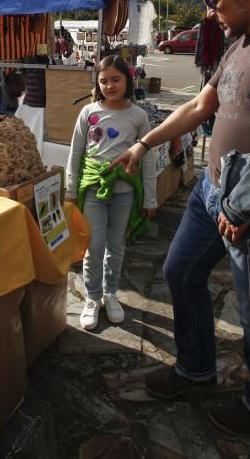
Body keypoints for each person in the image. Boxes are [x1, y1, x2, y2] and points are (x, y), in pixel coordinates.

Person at [111, 0, 250, 436]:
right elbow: (203, 105)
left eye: (213, 1)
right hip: (212, 190)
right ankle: (195, 368)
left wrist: (246, 204)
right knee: (180, 271)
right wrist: (144, 142)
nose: (209, 13)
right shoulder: (239, 42)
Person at [66, 55, 157, 331]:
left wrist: (150, 197)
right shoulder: (88, 113)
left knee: (116, 246)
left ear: (127, 80)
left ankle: (110, 293)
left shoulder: (138, 116)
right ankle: (92, 298)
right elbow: (76, 153)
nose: (109, 85)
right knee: (93, 246)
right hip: (93, 188)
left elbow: (148, 159)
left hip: (125, 191)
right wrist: (70, 191)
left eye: (116, 79)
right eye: (103, 81)